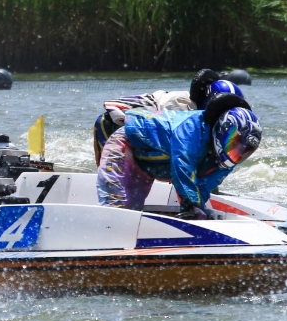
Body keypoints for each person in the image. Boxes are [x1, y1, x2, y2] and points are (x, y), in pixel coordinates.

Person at [96, 93, 261, 218]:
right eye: (234, 142)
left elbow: (203, 186)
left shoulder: (225, 162)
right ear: (223, 129)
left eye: (244, 150)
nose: (238, 152)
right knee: (117, 208)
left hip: (148, 163)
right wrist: (190, 204)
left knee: (132, 211)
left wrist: (197, 211)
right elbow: (182, 164)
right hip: (126, 143)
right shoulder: (192, 127)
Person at [91, 69, 245, 164]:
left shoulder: (199, 109)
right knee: (116, 177)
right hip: (112, 125)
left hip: (137, 128)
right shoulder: (182, 109)